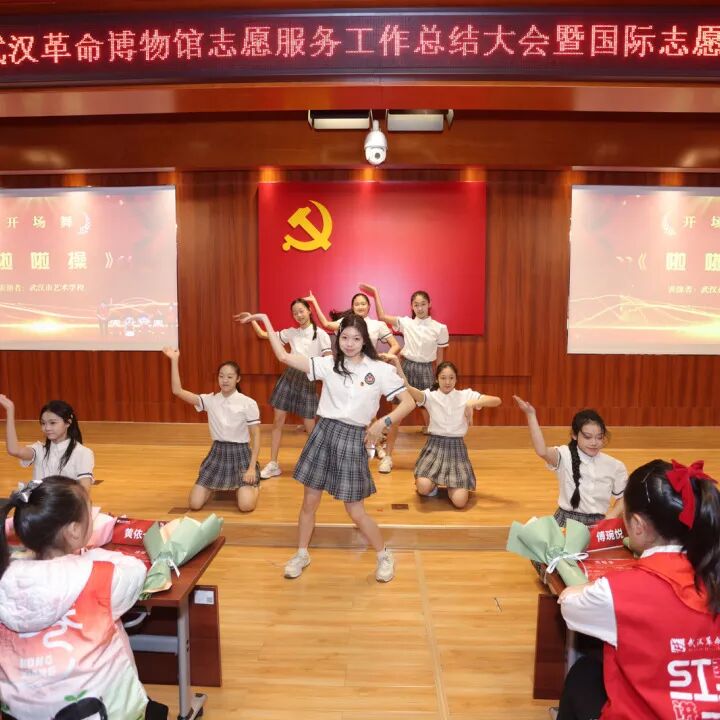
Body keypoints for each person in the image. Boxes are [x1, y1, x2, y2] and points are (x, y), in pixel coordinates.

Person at [235, 311, 415, 582]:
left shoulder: (380, 370)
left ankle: (384, 555)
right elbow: (283, 356)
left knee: (355, 511)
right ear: (338, 338)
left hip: (353, 438)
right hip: (323, 433)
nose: (350, 343)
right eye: (345, 337)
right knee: (309, 502)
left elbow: (409, 402)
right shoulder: (328, 364)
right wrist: (264, 319)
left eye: (356, 338)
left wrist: (382, 422)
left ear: (365, 340)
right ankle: (301, 553)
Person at [557, 459, 720, 720]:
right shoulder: (712, 570)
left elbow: (569, 605)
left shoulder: (621, 592)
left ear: (637, 525)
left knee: (583, 674)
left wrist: (588, 582)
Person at [0, 476, 168, 720]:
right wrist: (92, 556)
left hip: (21, 713)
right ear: (75, 531)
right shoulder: (96, 576)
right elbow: (136, 571)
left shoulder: (5, 575)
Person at [359, 284, 449, 473]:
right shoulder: (406, 322)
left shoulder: (440, 328)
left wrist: (438, 380)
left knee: (432, 418)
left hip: (427, 371)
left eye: (423, 304)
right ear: (412, 306)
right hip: (405, 368)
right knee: (396, 416)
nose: (420, 308)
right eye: (416, 304)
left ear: (429, 304)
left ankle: (438, 458)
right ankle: (388, 457)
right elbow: (382, 316)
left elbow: (440, 358)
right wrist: (375, 293)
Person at [391, 358, 501, 508]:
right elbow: (407, 387)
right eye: (443, 378)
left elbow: (496, 400)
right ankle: (434, 485)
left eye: (451, 378)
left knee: (460, 502)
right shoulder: (430, 396)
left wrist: (472, 403)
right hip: (435, 446)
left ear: (456, 379)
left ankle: (451, 486)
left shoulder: (465, 395)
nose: (447, 382)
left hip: (456, 449)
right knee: (423, 488)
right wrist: (397, 363)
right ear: (437, 379)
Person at [305, 289, 400, 459]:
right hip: (348, 370)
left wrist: (383, 359)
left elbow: (395, 345)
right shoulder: (345, 322)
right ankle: (370, 444)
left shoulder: (378, 325)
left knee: (370, 413)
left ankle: (376, 445)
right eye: (357, 304)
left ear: (369, 306)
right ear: (352, 307)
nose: (360, 306)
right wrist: (314, 302)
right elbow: (326, 324)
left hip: (368, 372)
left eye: (363, 303)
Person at [163, 348, 261, 512]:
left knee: (246, 506)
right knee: (194, 504)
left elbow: (256, 436)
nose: (225, 380)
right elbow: (177, 391)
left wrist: (251, 468)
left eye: (230, 377)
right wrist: (174, 360)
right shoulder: (210, 400)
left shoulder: (248, 403)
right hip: (217, 454)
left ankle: (255, 484)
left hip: (241, 454)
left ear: (238, 379)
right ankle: (221, 486)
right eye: (221, 376)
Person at [247, 298, 332, 480]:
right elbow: (264, 334)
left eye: (301, 311)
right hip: (289, 377)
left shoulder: (321, 334)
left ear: (309, 310)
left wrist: (326, 368)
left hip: (308, 378)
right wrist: (253, 319)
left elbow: (328, 357)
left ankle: (319, 464)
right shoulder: (291, 332)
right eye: (295, 313)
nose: (299, 315)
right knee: (278, 420)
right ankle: (273, 464)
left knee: (310, 427)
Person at [513, 396, 627, 527]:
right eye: (587, 437)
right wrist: (531, 415)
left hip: (599, 524)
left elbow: (623, 496)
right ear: (574, 435)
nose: (594, 442)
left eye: (599, 437)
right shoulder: (564, 455)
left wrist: (611, 517)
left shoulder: (615, 465)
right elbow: (542, 451)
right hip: (566, 521)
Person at [0, 396, 94, 491]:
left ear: (68, 423)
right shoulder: (39, 449)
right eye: (43, 423)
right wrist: (10, 410)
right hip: (39, 501)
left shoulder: (83, 453)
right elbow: (14, 450)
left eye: (52, 423)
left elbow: (83, 492)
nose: (47, 428)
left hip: (64, 501)